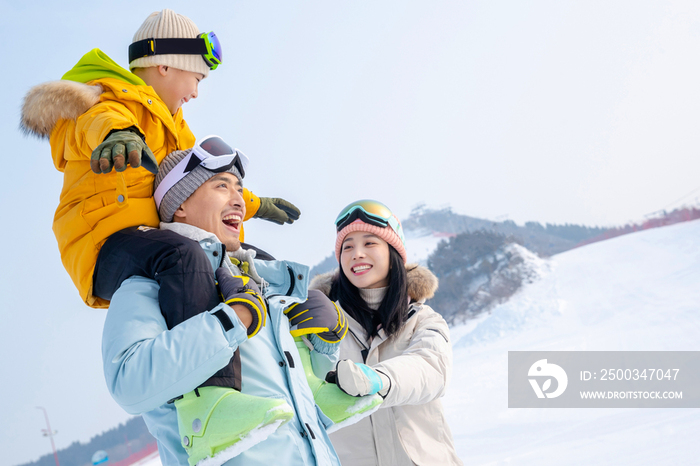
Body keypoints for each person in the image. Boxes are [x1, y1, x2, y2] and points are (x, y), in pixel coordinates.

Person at [20, 8, 299, 309]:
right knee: (184, 257)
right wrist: (120, 135)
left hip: (157, 239)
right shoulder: (107, 102)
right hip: (105, 243)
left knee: (257, 263)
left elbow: (202, 181)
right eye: (197, 79)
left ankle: (301, 335)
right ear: (165, 66)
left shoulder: (178, 132)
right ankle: (200, 352)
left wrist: (254, 204)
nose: (195, 93)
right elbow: (95, 120)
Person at [101, 144, 345, 466]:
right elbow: (129, 382)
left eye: (240, 189)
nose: (239, 200)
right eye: (222, 186)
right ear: (181, 204)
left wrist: (324, 347)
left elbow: (301, 411)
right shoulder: (149, 285)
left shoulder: (262, 284)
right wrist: (232, 319)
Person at [310, 200, 463, 465]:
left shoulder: (423, 320)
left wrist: (378, 380)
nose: (357, 253)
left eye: (370, 243)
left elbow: (432, 368)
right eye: (348, 247)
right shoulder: (319, 327)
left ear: (393, 254)